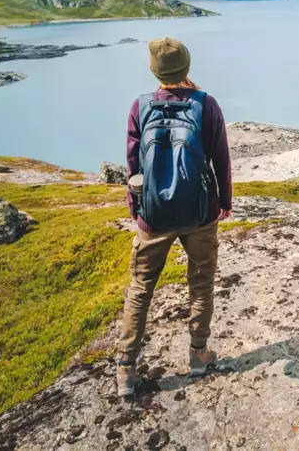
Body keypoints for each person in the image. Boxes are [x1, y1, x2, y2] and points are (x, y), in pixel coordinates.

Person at [116, 37, 232, 397]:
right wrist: (224, 201)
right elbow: (221, 160)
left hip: (154, 215)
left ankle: (125, 369)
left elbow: (133, 166)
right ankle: (199, 355)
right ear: (187, 66)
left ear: (155, 70)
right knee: (200, 283)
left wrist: (138, 209)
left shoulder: (141, 106)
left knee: (140, 289)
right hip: (200, 213)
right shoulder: (205, 105)